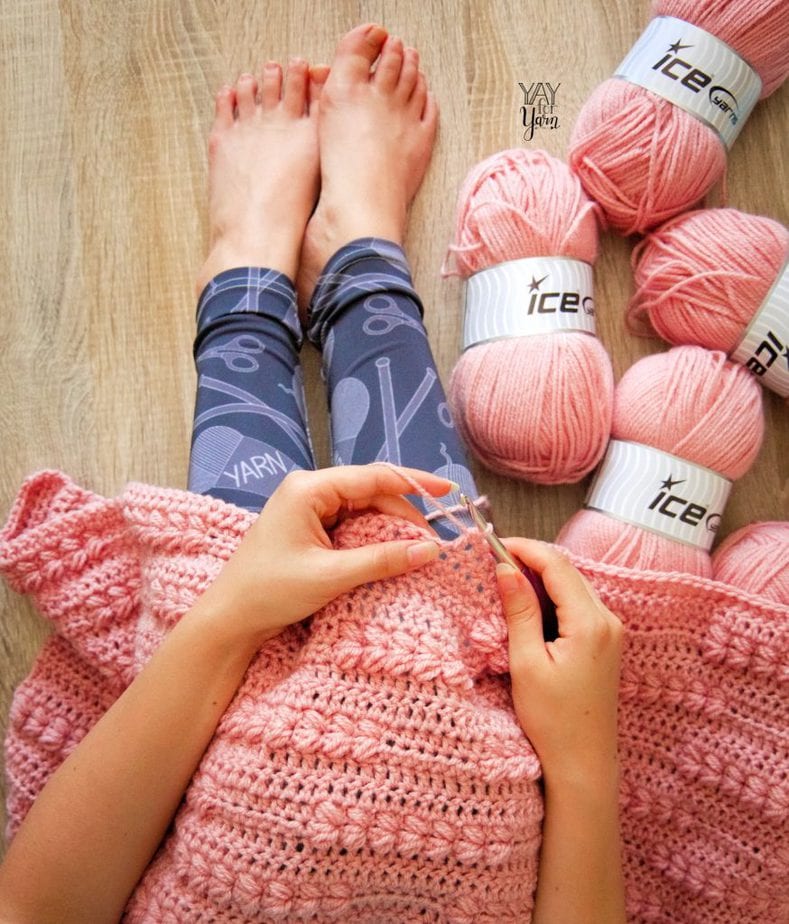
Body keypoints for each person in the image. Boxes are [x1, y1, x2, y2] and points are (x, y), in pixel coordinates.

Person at [0, 24, 626, 924]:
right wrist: (581, 765)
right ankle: (351, 258)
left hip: (216, 774)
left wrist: (229, 616)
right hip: (450, 737)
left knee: (233, 570)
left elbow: (34, 910)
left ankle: (250, 279)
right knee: (420, 575)